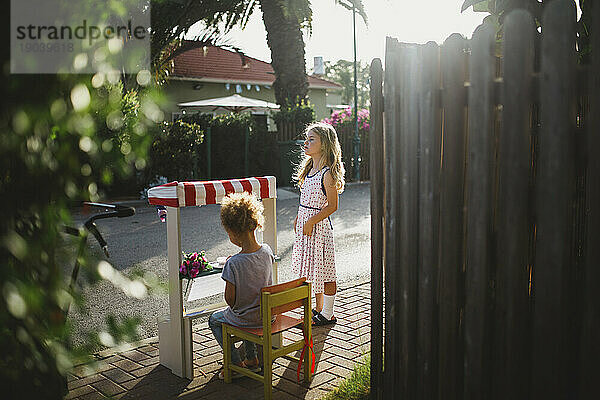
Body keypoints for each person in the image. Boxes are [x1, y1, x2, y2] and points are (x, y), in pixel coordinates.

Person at [208, 192, 274, 379]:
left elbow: (231, 301)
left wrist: (232, 265)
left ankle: (235, 364)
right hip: (267, 316)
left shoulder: (233, 263)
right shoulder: (267, 251)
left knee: (215, 319)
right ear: (255, 223)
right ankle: (252, 359)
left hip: (248, 318)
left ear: (234, 233)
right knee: (249, 308)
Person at [292, 122, 345, 326]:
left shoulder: (327, 173)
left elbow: (332, 206)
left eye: (311, 139)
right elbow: (305, 199)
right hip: (306, 227)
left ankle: (328, 313)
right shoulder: (309, 170)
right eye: (306, 138)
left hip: (319, 228)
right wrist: (299, 217)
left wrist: (311, 220)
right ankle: (318, 308)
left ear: (324, 144)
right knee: (312, 270)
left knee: (327, 272)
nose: (306, 142)